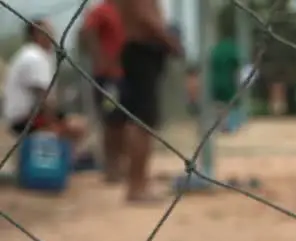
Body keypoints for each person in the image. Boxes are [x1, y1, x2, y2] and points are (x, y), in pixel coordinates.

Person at [116, 0, 182, 204]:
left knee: (141, 121)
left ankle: (139, 183)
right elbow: (145, 17)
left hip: (142, 49)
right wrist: (170, 41)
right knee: (142, 123)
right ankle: (137, 187)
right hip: (143, 50)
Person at [3, 19, 88, 143]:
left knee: (72, 123)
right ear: (37, 35)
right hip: (25, 119)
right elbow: (44, 98)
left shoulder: (28, 54)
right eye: (49, 32)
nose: (53, 36)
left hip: (21, 116)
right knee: (77, 127)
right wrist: (52, 125)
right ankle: (63, 161)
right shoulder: (35, 56)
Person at [79, 0, 127, 182]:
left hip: (123, 75)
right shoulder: (102, 10)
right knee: (111, 121)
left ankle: (120, 166)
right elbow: (87, 31)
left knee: (121, 122)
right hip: (108, 77)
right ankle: (111, 168)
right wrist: (99, 59)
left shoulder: (122, 10)